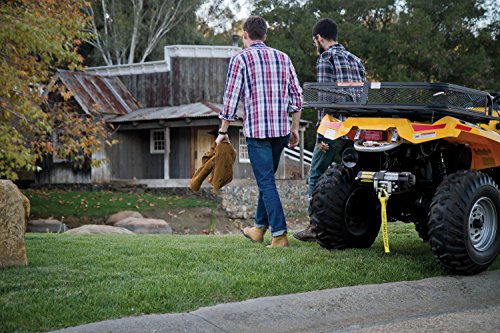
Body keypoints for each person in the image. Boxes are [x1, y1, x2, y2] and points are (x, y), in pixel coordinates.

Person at [216, 16, 303, 248]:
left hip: (258, 132)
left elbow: (231, 99)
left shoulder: (240, 59)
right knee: (268, 181)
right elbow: (297, 96)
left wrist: (223, 132)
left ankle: (280, 235)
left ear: (245, 35)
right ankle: (258, 229)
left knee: (266, 182)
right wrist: (294, 127)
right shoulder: (283, 58)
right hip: (281, 131)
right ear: (265, 35)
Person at [293, 18, 366, 242]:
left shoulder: (327, 58)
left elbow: (324, 95)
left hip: (333, 126)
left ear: (319, 38)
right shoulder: (356, 60)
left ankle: (316, 225)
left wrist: (320, 129)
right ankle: (354, 220)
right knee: (352, 174)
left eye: (314, 40)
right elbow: (363, 96)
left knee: (315, 174)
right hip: (356, 127)